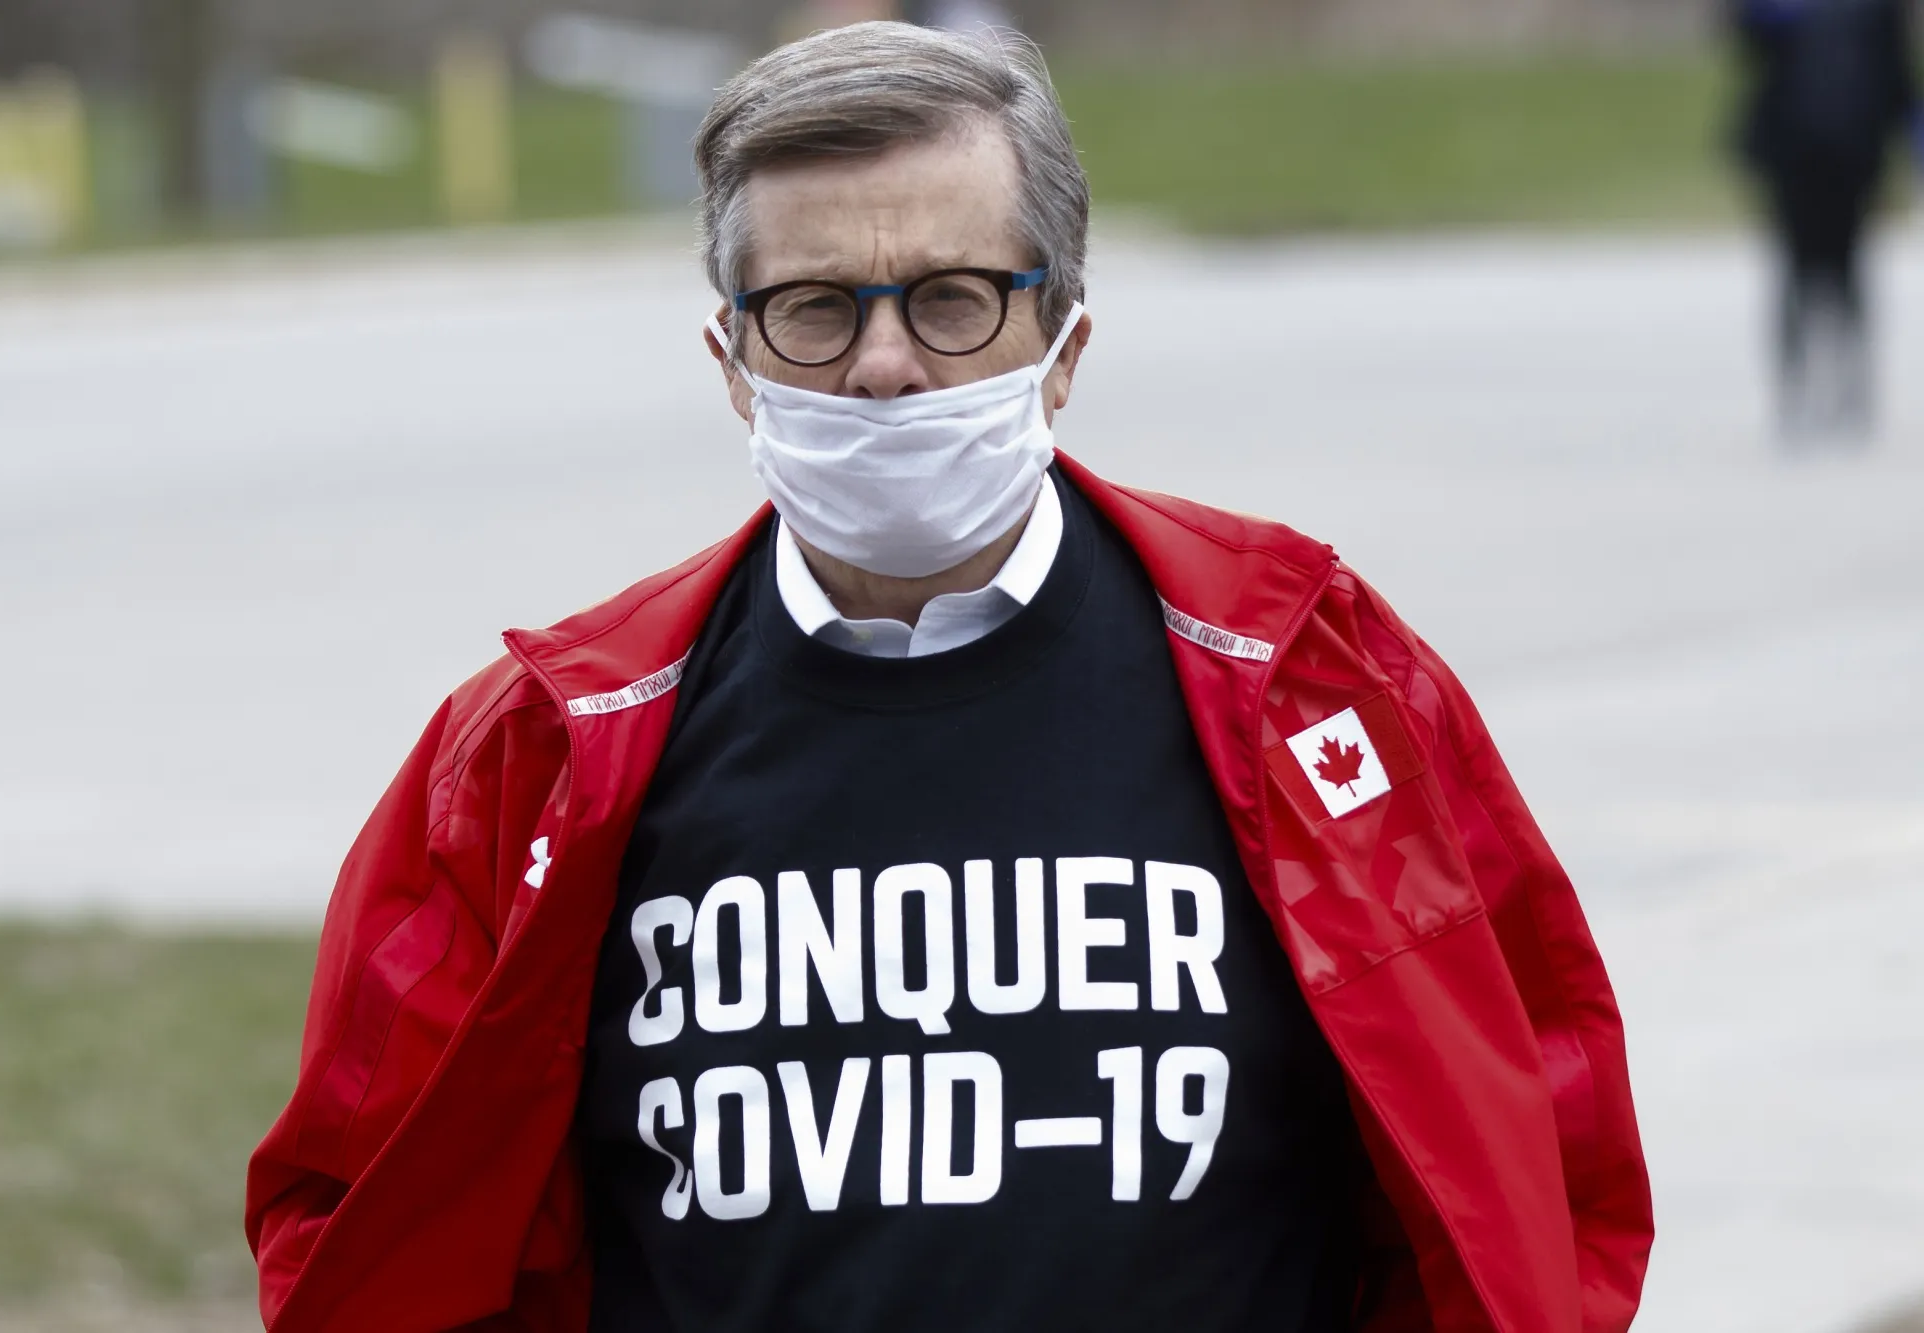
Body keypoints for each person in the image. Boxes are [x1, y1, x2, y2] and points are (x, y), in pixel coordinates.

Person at [245, 22, 1652, 1332]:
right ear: (731, 360)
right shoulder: (541, 754)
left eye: (954, 299)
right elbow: (356, 1221)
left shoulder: (1316, 681)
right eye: (811, 308)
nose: (883, 367)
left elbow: (1543, 1150)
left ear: (1065, 345)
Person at [1730, 0, 1921, 440]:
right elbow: (1747, 40)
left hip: (1856, 145)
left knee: (1847, 262)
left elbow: (1897, 68)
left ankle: (1850, 379)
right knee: (1797, 265)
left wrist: (1913, 134)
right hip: (1792, 147)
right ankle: (1796, 385)